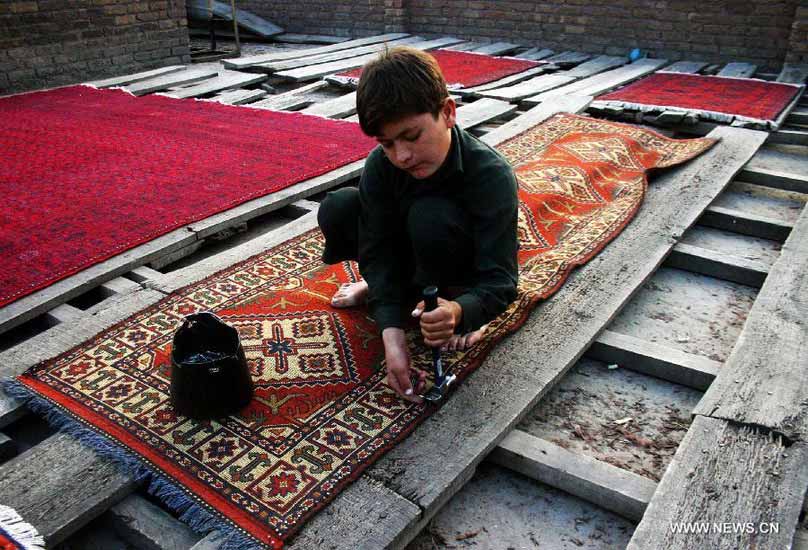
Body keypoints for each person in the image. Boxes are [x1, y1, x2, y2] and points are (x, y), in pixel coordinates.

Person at [317, 46, 519, 403]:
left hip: (458, 266)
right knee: (340, 207)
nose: (402, 156)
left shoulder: (491, 175)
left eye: (412, 137)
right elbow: (377, 248)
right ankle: (389, 293)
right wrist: (392, 341)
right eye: (387, 143)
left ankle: (456, 301)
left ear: (448, 112)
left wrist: (461, 310)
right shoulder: (383, 165)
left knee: (430, 217)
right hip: (412, 255)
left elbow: (501, 280)